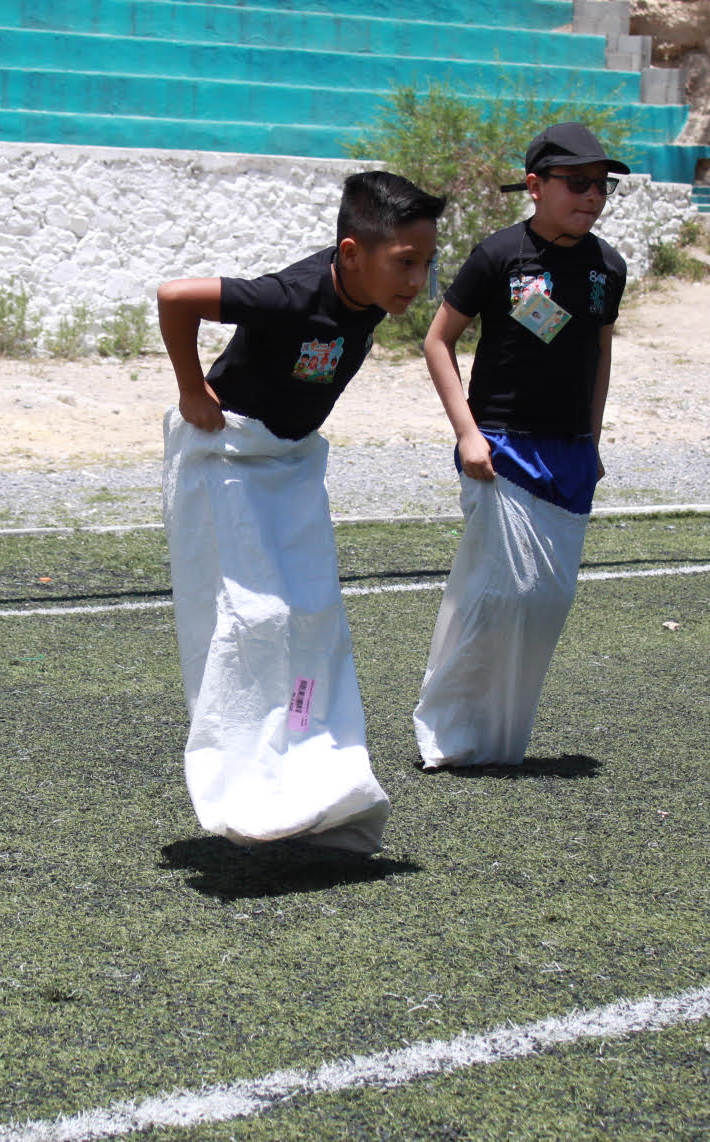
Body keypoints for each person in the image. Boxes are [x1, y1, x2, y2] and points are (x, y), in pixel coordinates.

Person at [156, 170, 444, 851]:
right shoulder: (290, 295)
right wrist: (192, 387)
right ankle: (244, 795)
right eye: (406, 263)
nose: (418, 281)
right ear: (351, 253)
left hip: (290, 462)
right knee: (254, 618)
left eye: (427, 263)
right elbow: (175, 297)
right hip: (227, 459)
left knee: (314, 613)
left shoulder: (372, 292)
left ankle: (323, 786)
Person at [411, 122, 627, 768]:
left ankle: (499, 739)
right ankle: (446, 735)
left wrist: (592, 441)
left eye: (602, 186)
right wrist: (467, 433)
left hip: (569, 454)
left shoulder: (607, 267)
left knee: (545, 603)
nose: (592, 197)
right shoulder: (498, 256)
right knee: (496, 596)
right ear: (535, 186)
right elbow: (437, 341)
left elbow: (600, 355)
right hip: (500, 448)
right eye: (577, 183)